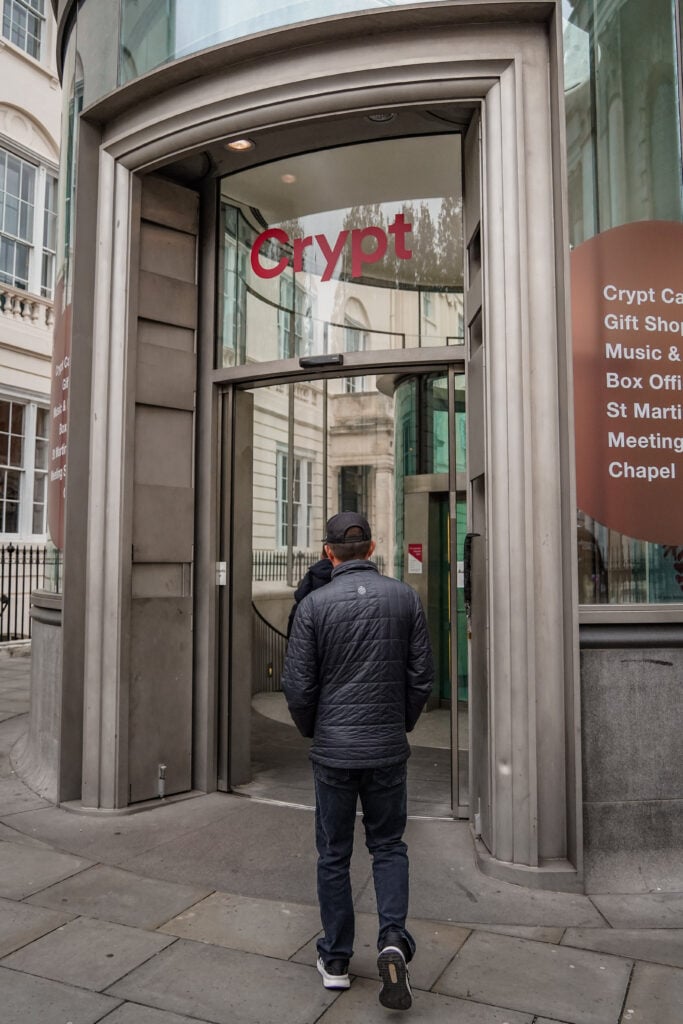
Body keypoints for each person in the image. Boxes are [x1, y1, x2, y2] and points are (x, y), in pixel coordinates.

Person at [281, 511, 434, 1011]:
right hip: (386, 747)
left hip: (334, 750)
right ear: (371, 549)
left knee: (334, 853)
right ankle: (392, 941)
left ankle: (338, 959)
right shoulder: (405, 598)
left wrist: (314, 731)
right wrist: (400, 724)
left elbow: (299, 687)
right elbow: (421, 678)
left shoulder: (313, 607)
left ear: (329, 553)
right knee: (388, 846)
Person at [286, 548, 333, 638]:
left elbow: (299, 595)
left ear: (322, 555)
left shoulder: (313, 573)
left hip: (310, 618)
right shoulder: (340, 573)